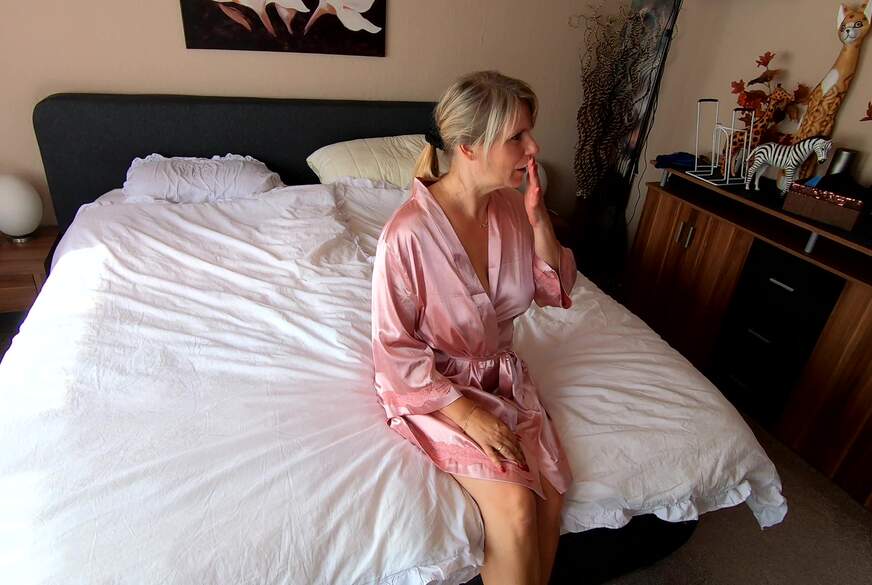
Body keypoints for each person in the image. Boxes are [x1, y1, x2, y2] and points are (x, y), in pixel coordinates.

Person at [371, 70, 577, 585]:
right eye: (517, 137)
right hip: (438, 392)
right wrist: (467, 414)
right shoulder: (407, 236)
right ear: (468, 147)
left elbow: (552, 290)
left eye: (530, 132)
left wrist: (539, 219)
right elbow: (395, 350)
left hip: (503, 380)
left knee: (551, 495)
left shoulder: (509, 209)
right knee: (517, 507)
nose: (534, 147)